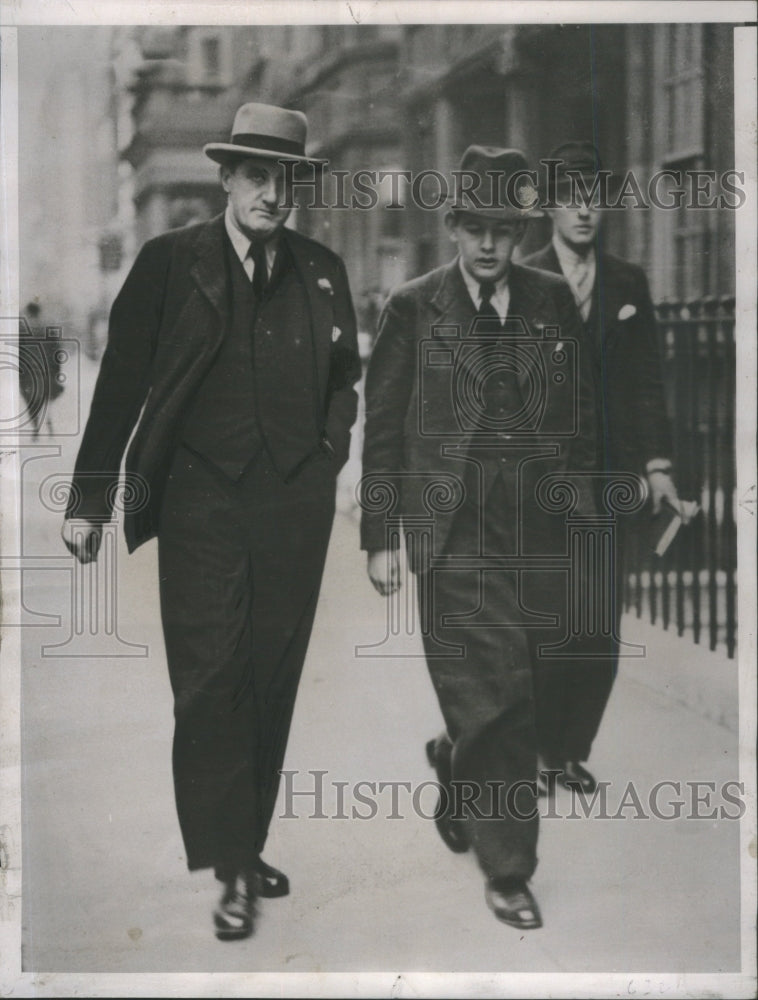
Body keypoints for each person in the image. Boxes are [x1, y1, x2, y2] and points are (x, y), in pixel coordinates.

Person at [62, 103, 361, 941]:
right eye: (257, 176)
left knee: (269, 677)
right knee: (209, 685)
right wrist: (88, 503)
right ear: (225, 179)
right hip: (198, 502)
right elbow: (121, 382)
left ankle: (245, 841)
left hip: (291, 507)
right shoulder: (169, 263)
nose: (273, 193)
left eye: (287, 179)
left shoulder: (321, 267)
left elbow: (345, 374)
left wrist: (328, 449)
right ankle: (231, 868)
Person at [360, 146, 599, 929]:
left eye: (504, 228)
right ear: (453, 227)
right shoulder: (413, 306)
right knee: (499, 693)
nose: (491, 244)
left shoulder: (551, 298)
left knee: (514, 687)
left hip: (535, 524)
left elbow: (583, 412)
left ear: (517, 230)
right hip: (452, 528)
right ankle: (509, 871)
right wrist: (382, 534)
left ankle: (456, 763)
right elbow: (385, 428)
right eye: (476, 228)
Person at [523, 140, 681, 794]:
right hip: (543, 482)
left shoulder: (629, 283)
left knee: (600, 625)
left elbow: (647, 381)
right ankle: (536, 751)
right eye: (570, 198)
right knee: (549, 621)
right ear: (549, 208)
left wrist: (659, 464)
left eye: (595, 198)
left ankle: (569, 750)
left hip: (612, 481)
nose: (584, 211)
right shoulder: (525, 277)